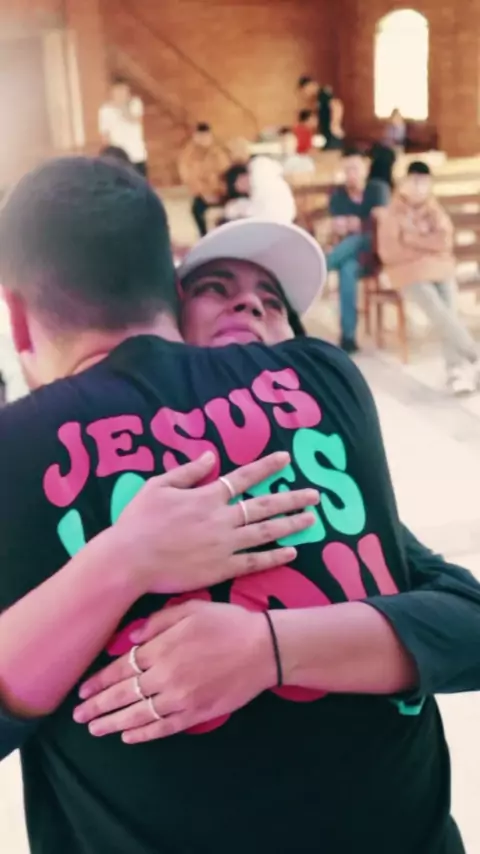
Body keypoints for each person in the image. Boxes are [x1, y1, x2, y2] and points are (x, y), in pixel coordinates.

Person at [0, 160, 477, 854]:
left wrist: (270, 648)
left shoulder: (19, 446)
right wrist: (122, 560)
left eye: (271, 301)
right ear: (170, 297)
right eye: (216, 289)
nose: (248, 309)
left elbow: (467, 620)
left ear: (16, 318)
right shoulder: (327, 378)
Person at [377, 161, 479, 395]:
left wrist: (412, 240)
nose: (419, 187)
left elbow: (444, 241)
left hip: (439, 266)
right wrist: (426, 247)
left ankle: (455, 370)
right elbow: (390, 251)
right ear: (404, 182)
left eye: (424, 182)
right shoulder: (392, 212)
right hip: (407, 271)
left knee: (448, 308)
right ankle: (473, 353)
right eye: (415, 181)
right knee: (435, 307)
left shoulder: (434, 209)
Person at [327, 145, 390, 353]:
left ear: (365, 168)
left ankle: (322, 266)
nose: (350, 174)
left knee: (360, 238)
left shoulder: (378, 189)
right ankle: (348, 337)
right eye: (346, 170)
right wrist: (358, 224)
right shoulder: (338, 194)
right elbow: (338, 226)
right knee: (347, 269)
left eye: (354, 168)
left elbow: (381, 224)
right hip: (351, 256)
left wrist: (358, 224)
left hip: (375, 253)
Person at [178, 122, 231, 236]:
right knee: (196, 210)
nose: (203, 140)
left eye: (206, 136)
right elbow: (189, 177)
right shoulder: (189, 154)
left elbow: (226, 174)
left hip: (221, 193)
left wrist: (219, 192)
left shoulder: (219, 151)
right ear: (195, 137)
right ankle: (204, 237)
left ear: (210, 136)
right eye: (200, 137)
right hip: (203, 194)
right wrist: (204, 193)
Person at [98, 77, 148, 177]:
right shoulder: (105, 110)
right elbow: (104, 136)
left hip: (137, 156)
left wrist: (123, 107)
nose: (121, 94)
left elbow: (136, 120)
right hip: (118, 158)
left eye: (124, 90)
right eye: (118, 91)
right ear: (112, 92)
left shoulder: (135, 103)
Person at [223, 156, 296, 224]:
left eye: (240, 180)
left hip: (283, 218)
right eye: (240, 188)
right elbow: (251, 210)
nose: (243, 185)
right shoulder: (253, 201)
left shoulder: (260, 170)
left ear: (243, 173)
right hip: (278, 222)